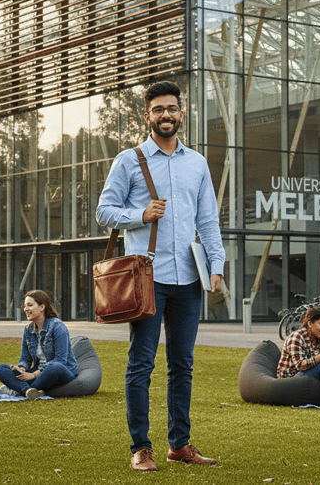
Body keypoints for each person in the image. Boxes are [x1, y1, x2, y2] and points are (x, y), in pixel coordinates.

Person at [96, 81, 225, 472]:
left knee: (182, 365)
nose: (165, 115)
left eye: (172, 109)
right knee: (141, 365)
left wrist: (216, 265)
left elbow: (208, 220)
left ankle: (180, 445)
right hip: (146, 278)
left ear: (181, 113)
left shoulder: (197, 163)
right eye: (158, 109)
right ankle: (140, 448)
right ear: (147, 115)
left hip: (189, 278)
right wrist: (140, 215)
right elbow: (104, 211)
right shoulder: (128, 160)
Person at [0, 290, 78, 401]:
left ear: (42, 307)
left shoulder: (57, 326)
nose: (25, 309)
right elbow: (25, 358)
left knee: (54, 367)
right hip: (38, 374)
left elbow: (60, 360)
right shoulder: (28, 329)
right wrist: (21, 369)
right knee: (1, 368)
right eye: (25, 306)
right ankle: (28, 391)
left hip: (60, 372)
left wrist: (34, 375)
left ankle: (18, 390)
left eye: (30, 305)